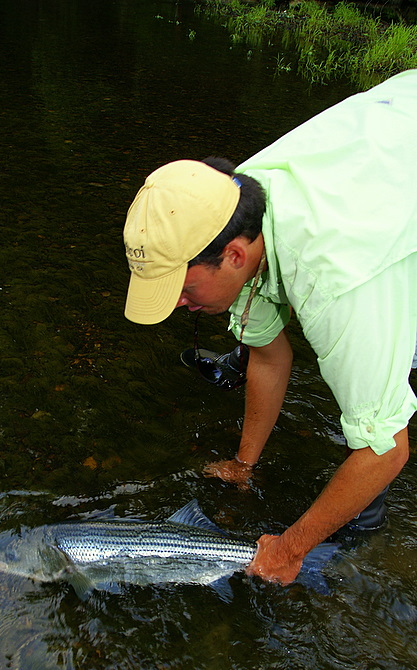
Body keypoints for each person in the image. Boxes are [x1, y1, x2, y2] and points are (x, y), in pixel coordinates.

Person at [122, 69, 417, 584]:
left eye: (183, 290)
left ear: (234, 256)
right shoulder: (229, 202)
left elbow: (385, 450)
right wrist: (244, 465)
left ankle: (370, 545)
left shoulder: (334, 280)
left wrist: (290, 548)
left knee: (380, 429)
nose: (178, 306)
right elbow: (268, 355)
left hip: (388, 213)